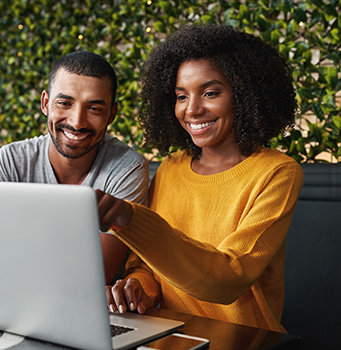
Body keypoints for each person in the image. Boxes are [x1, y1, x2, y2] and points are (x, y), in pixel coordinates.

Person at [96, 24, 304, 333]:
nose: (191, 110)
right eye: (181, 96)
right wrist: (137, 287)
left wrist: (131, 219)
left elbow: (229, 279)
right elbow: (146, 267)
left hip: (244, 339)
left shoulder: (277, 173)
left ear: (244, 95)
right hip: (167, 335)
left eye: (210, 93)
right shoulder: (169, 169)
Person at [0, 51, 149, 289]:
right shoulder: (9, 161)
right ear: (45, 103)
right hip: (3, 298)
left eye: (94, 109)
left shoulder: (127, 169)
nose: (77, 121)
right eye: (64, 103)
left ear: (112, 113)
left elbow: (91, 279)